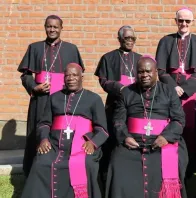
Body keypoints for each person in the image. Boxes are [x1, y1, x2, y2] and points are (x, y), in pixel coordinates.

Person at [21, 63, 109, 198]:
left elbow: (102, 129)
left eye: (74, 75)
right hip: (55, 146)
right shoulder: (54, 97)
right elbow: (44, 123)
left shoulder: (93, 99)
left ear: (82, 77)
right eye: (67, 75)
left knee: (87, 164)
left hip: (82, 146)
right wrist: (44, 139)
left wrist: (93, 143)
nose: (70, 78)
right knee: (41, 162)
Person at [105, 56, 188, 198]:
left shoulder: (169, 92)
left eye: (148, 71)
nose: (144, 75)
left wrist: (166, 137)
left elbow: (179, 120)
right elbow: (118, 120)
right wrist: (125, 137)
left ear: (156, 72)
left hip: (161, 143)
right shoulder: (126, 92)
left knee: (175, 160)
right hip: (132, 144)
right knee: (117, 161)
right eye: (141, 72)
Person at [18, 15, 84, 176]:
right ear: (45, 27)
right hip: (41, 99)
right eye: (49, 26)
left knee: (60, 131)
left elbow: (78, 75)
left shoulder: (71, 49)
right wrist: (35, 87)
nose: (52, 29)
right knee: (36, 131)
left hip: (63, 99)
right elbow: (25, 75)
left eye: (55, 27)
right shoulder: (35, 47)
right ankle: (33, 172)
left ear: (61, 28)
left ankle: (60, 169)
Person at [155, 7, 196, 176]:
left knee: (190, 128)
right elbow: (161, 70)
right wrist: (173, 87)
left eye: (187, 21)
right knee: (169, 123)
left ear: (192, 23)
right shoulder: (165, 41)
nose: (184, 24)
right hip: (169, 90)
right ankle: (168, 161)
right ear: (176, 21)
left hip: (191, 93)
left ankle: (190, 165)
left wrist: (185, 89)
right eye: (181, 20)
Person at [94, 25, 142, 186]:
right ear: (119, 39)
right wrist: (119, 88)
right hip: (115, 105)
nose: (130, 41)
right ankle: (107, 173)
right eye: (127, 38)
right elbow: (103, 81)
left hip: (136, 107)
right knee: (114, 138)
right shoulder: (109, 58)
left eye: (132, 38)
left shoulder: (140, 59)